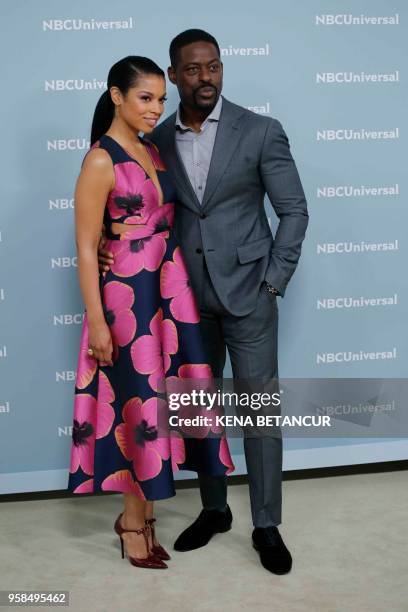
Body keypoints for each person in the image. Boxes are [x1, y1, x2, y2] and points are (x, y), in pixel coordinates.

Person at [99, 29, 309, 575]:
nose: (206, 77)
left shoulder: (261, 131)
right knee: (200, 412)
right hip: (185, 305)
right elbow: (136, 208)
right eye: (192, 70)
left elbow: (294, 211)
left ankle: (267, 525)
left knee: (260, 414)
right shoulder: (157, 138)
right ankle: (214, 510)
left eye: (213, 66)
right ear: (174, 76)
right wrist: (106, 248)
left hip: (250, 297)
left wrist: (273, 281)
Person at [67, 55, 234, 571]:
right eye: (146, 98)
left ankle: (144, 516)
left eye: (161, 98)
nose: (156, 107)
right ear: (116, 96)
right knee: (136, 406)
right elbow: (86, 246)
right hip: (126, 301)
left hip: (167, 292)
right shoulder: (101, 160)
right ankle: (132, 523)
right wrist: (97, 321)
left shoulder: (153, 150)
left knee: (160, 406)